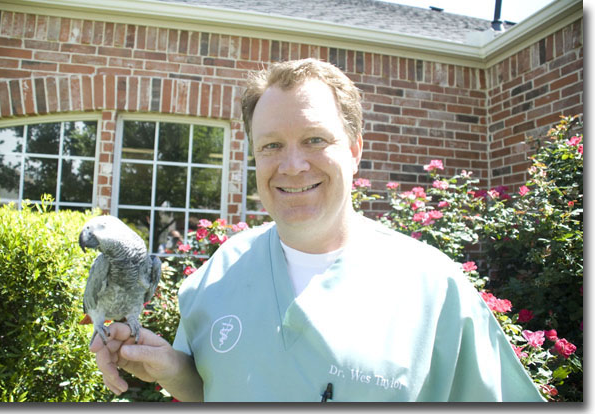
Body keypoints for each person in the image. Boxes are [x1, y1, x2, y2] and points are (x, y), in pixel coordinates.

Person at [90, 58, 545, 402]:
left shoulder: (435, 288)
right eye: (271, 146)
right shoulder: (215, 277)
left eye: (314, 140)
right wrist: (172, 369)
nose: (292, 165)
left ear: (354, 151)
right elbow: (213, 390)